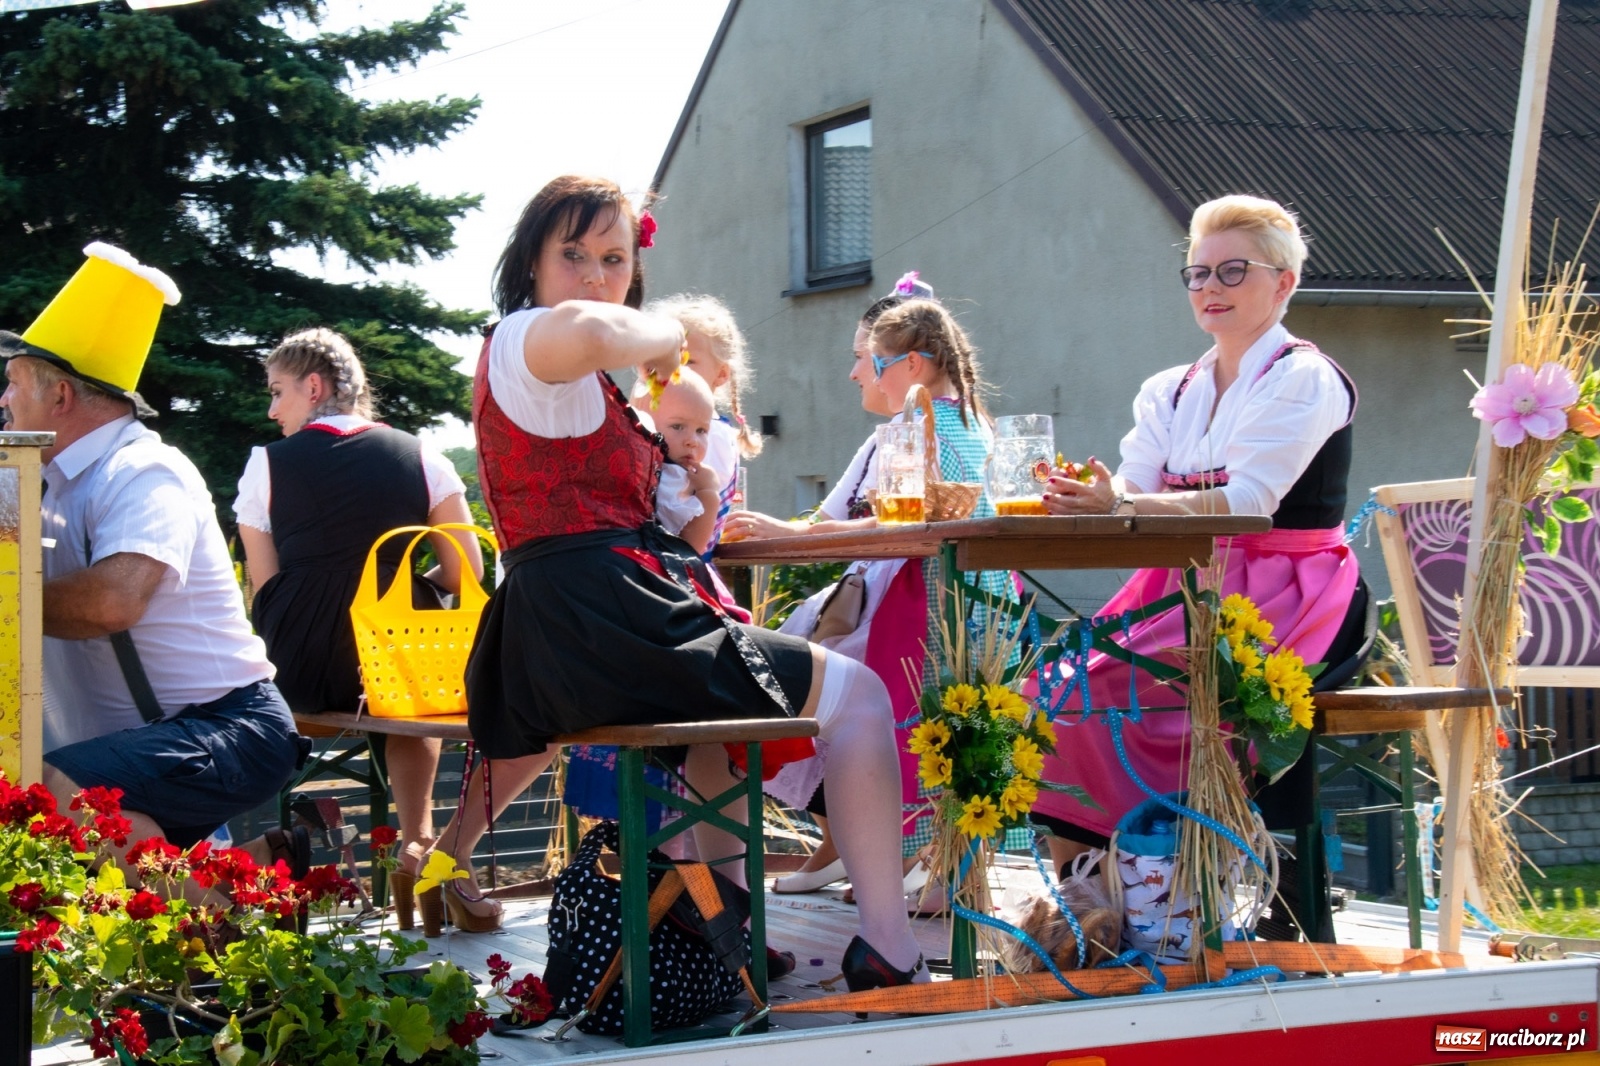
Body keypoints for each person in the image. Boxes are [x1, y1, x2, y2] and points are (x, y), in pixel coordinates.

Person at [421, 174, 926, 989]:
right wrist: (665, 339)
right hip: (604, 616)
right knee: (861, 698)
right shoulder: (527, 340)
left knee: (714, 747)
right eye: (573, 254)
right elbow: (588, 325)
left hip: (568, 625)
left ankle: (731, 939)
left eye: (614, 258)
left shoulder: (571, 379)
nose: (593, 274)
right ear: (532, 264)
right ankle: (891, 951)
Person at [1032, 195, 1365, 873]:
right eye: (1198, 273)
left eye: (1233, 271)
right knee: (1052, 690)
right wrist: (1089, 500)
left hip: (1286, 587)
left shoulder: (1303, 376)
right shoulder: (1170, 389)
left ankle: (1168, 877)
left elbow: (1248, 502)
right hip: (1182, 580)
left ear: (1285, 283)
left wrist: (1120, 502)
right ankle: (1093, 892)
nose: (1210, 287)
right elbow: (1133, 491)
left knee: (1095, 693)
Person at [0, 242, 310, 880]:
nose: (3, 400)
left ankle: (224, 920)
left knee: (54, 801)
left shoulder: (146, 469)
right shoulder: (44, 475)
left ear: (59, 395)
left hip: (234, 728)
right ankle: (249, 874)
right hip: (169, 731)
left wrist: (8, 595)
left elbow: (115, 599)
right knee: (50, 798)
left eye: (13, 383)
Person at [739, 293, 1016, 900]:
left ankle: (936, 870)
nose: (864, 371)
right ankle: (949, 872)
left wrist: (795, 532)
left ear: (911, 365)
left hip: (927, 592)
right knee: (958, 724)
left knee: (914, 723)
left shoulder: (918, 425)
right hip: (976, 591)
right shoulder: (967, 419)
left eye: (875, 360)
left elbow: (897, 524)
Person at [233, 327, 482, 929]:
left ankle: (284, 859)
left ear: (313, 387)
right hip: (396, 662)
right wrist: (398, 586)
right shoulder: (423, 456)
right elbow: (465, 569)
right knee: (408, 697)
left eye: (277, 393)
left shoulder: (265, 464)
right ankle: (418, 842)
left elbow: (265, 588)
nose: (272, 411)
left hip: (302, 665)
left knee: (367, 679)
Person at [645, 294, 763, 555]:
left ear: (720, 374)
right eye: (663, 358)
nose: (674, 370)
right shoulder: (653, 420)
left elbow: (678, 513)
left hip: (680, 567)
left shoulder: (714, 436)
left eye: (687, 361)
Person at [629, 368, 722, 554]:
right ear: (643, 424)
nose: (692, 441)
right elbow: (690, 549)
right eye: (677, 426)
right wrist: (708, 493)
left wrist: (705, 491)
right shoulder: (666, 477)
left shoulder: (683, 478)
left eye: (701, 431)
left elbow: (688, 548)